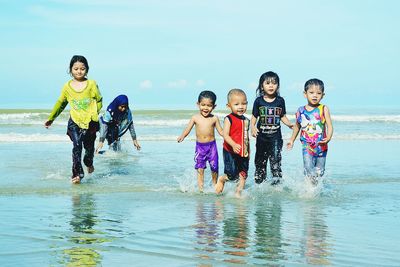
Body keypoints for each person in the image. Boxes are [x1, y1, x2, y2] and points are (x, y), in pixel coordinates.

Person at [44, 55, 103, 184]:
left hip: (90, 123)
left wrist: (94, 112)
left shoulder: (91, 84)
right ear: (71, 70)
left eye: (82, 68)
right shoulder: (67, 87)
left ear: (87, 69)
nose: (79, 71)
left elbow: (99, 100)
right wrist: (51, 118)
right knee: (77, 146)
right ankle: (76, 174)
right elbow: (61, 103)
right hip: (74, 122)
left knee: (89, 149)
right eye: (76, 68)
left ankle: (89, 163)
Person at [287, 78, 333, 185]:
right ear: (305, 94)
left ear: (323, 95)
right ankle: (309, 188)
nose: (315, 95)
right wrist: (292, 140)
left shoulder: (323, 108)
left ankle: (316, 188)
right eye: (311, 92)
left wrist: (329, 137)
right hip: (307, 145)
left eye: (318, 93)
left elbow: (330, 125)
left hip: (322, 146)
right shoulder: (301, 110)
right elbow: (297, 127)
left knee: (319, 172)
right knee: (308, 167)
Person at [250, 71, 293, 185]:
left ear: (278, 86)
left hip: (275, 138)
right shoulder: (258, 101)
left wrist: (289, 124)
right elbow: (254, 116)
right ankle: (259, 183)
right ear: (262, 86)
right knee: (260, 162)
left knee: (275, 161)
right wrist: (252, 127)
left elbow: (282, 116)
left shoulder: (280, 101)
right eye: (267, 83)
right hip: (262, 138)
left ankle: (277, 184)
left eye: (274, 83)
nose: (271, 85)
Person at [177, 90, 223, 192]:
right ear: (198, 104)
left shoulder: (214, 118)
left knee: (214, 167)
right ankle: (201, 188)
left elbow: (221, 131)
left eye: (209, 105)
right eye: (203, 105)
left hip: (212, 147)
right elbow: (187, 129)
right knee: (200, 168)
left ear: (214, 107)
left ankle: (215, 185)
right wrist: (182, 136)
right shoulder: (195, 118)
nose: (205, 108)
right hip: (200, 147)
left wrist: (228, 137)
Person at [215, 89, 250, 197]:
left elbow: (246, 137)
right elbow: (225, 135)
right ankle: (222, 179)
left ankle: (238, 193)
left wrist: (249, 151)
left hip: (243, 151)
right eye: (236, 104)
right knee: (232, 175)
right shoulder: (228, 119)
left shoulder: (246, 120)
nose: (241, 107)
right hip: (230, 151)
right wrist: (233, 145)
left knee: (243, 174)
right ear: (228, 105)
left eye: (244, 104)